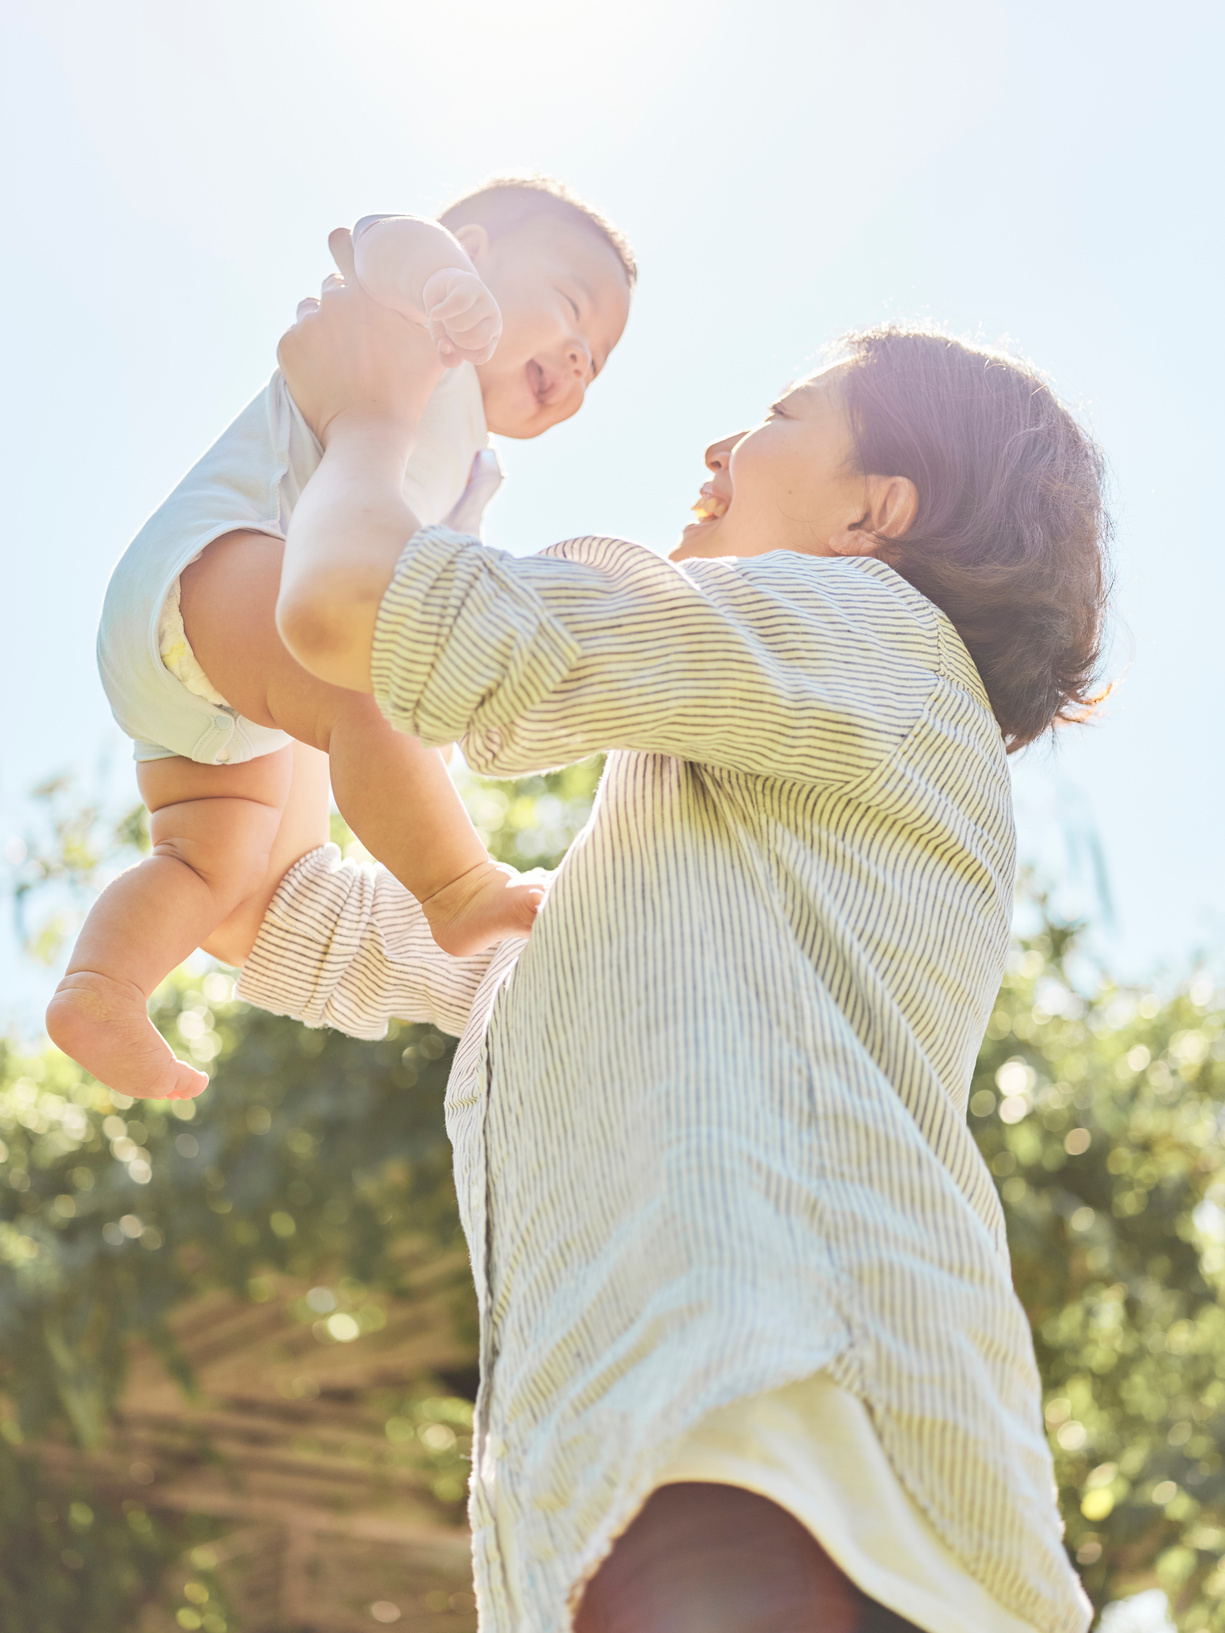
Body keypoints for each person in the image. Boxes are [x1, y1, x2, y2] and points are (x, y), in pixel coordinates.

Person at [235, 259, 1108, 1632]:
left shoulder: (881, 644)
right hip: (658, 1526)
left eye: (778, 413)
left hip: (802, 1492)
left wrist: (368, 425)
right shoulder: (667, 877)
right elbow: (294, 916)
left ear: (874, 514)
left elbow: (370, 611)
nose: (718, 444)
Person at [46, 177, 634, 1103]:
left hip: (213, 682)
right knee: (365, 682)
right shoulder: (414, 317)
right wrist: (436, 279)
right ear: (474, 252)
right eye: (568, 308)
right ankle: (457, 889)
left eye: (595, 360)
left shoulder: (477, 469)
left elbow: (435, 587)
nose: (576, 356)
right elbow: (378, 237)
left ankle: (100, 988)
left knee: (209, 861)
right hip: (219, 567)